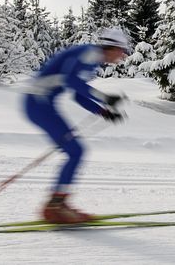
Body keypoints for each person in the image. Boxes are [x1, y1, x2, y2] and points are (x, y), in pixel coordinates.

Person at [24, 28, 131, 223]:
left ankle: (57, 205)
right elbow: (70, 80)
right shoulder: (89, 53)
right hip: (38, 103)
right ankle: (55, 207)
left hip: (42, 104)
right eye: (122, 51)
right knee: (76, 151)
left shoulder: (91, 61)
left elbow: (77, 95)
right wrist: (104, 98)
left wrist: (103, 111)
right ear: (112, 47)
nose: (122, 56)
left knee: (76, 151)